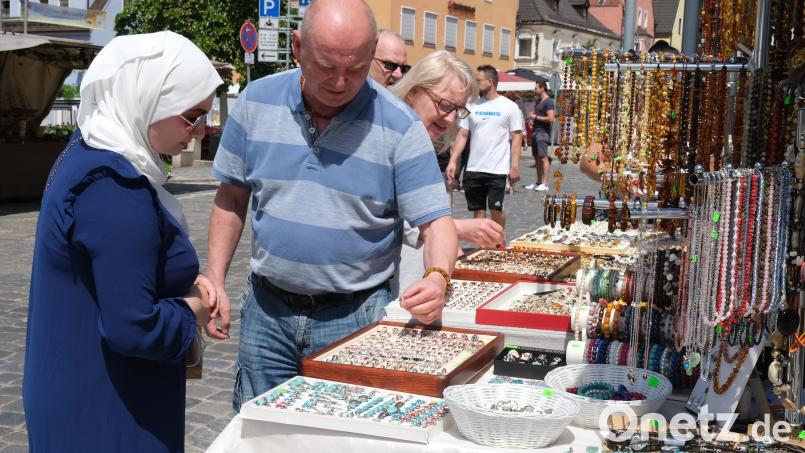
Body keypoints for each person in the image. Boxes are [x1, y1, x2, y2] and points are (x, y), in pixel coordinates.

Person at [207, 0, 458, 413]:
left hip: (355, 316)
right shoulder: (256, 102)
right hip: (267, 314)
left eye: (357, 68)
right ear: (297, 47)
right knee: (260, 435)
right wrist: (215, 278)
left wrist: (437, 277)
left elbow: (436, 222)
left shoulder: (400, 125)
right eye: (326, 67)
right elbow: (232, 195)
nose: (341, 83)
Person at [24, 31, 221, 452]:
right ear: (148, 97)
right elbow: (134, 327)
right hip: (107, 407)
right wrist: (193, 310)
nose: (200, 131)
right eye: (191, 115)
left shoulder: (86, 153)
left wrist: (180, 280)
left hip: (79, 386)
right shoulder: (114, 185)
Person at [387, 50, 505, 295]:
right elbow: (387, 217)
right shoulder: (385, 136)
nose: (451, 118)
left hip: (419, 284)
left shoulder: (423, 141)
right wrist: (459, 228)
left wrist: (456, 257)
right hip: (393, 288)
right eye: (444, 105)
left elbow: (430, 214)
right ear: (413, 92)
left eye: (459, 110)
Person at [446, 65, 524, 230]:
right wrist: (453, 160)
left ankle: (498, 241)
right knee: (478, 212)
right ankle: (483, 246)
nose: (475, 83)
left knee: (497, 210)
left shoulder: (509, 107)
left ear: (490, 82)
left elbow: (517, 137)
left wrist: (515, 166)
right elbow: (462, 135)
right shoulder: (471, 105)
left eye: (478, 80)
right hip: (474, 168)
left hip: (497, 169)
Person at [526, 81, 555, 191]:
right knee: (537, 158)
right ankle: (538, 182)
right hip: (536, 131)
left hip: (543, 133)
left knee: (543, 158)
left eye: (536, 88)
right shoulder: (538, 101)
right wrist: (532, 121)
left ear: (542, 88)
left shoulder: (548, 102)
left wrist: (535, 118)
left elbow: (551, 118)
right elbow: (536, 115)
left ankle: (545, 184)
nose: (534, 90)